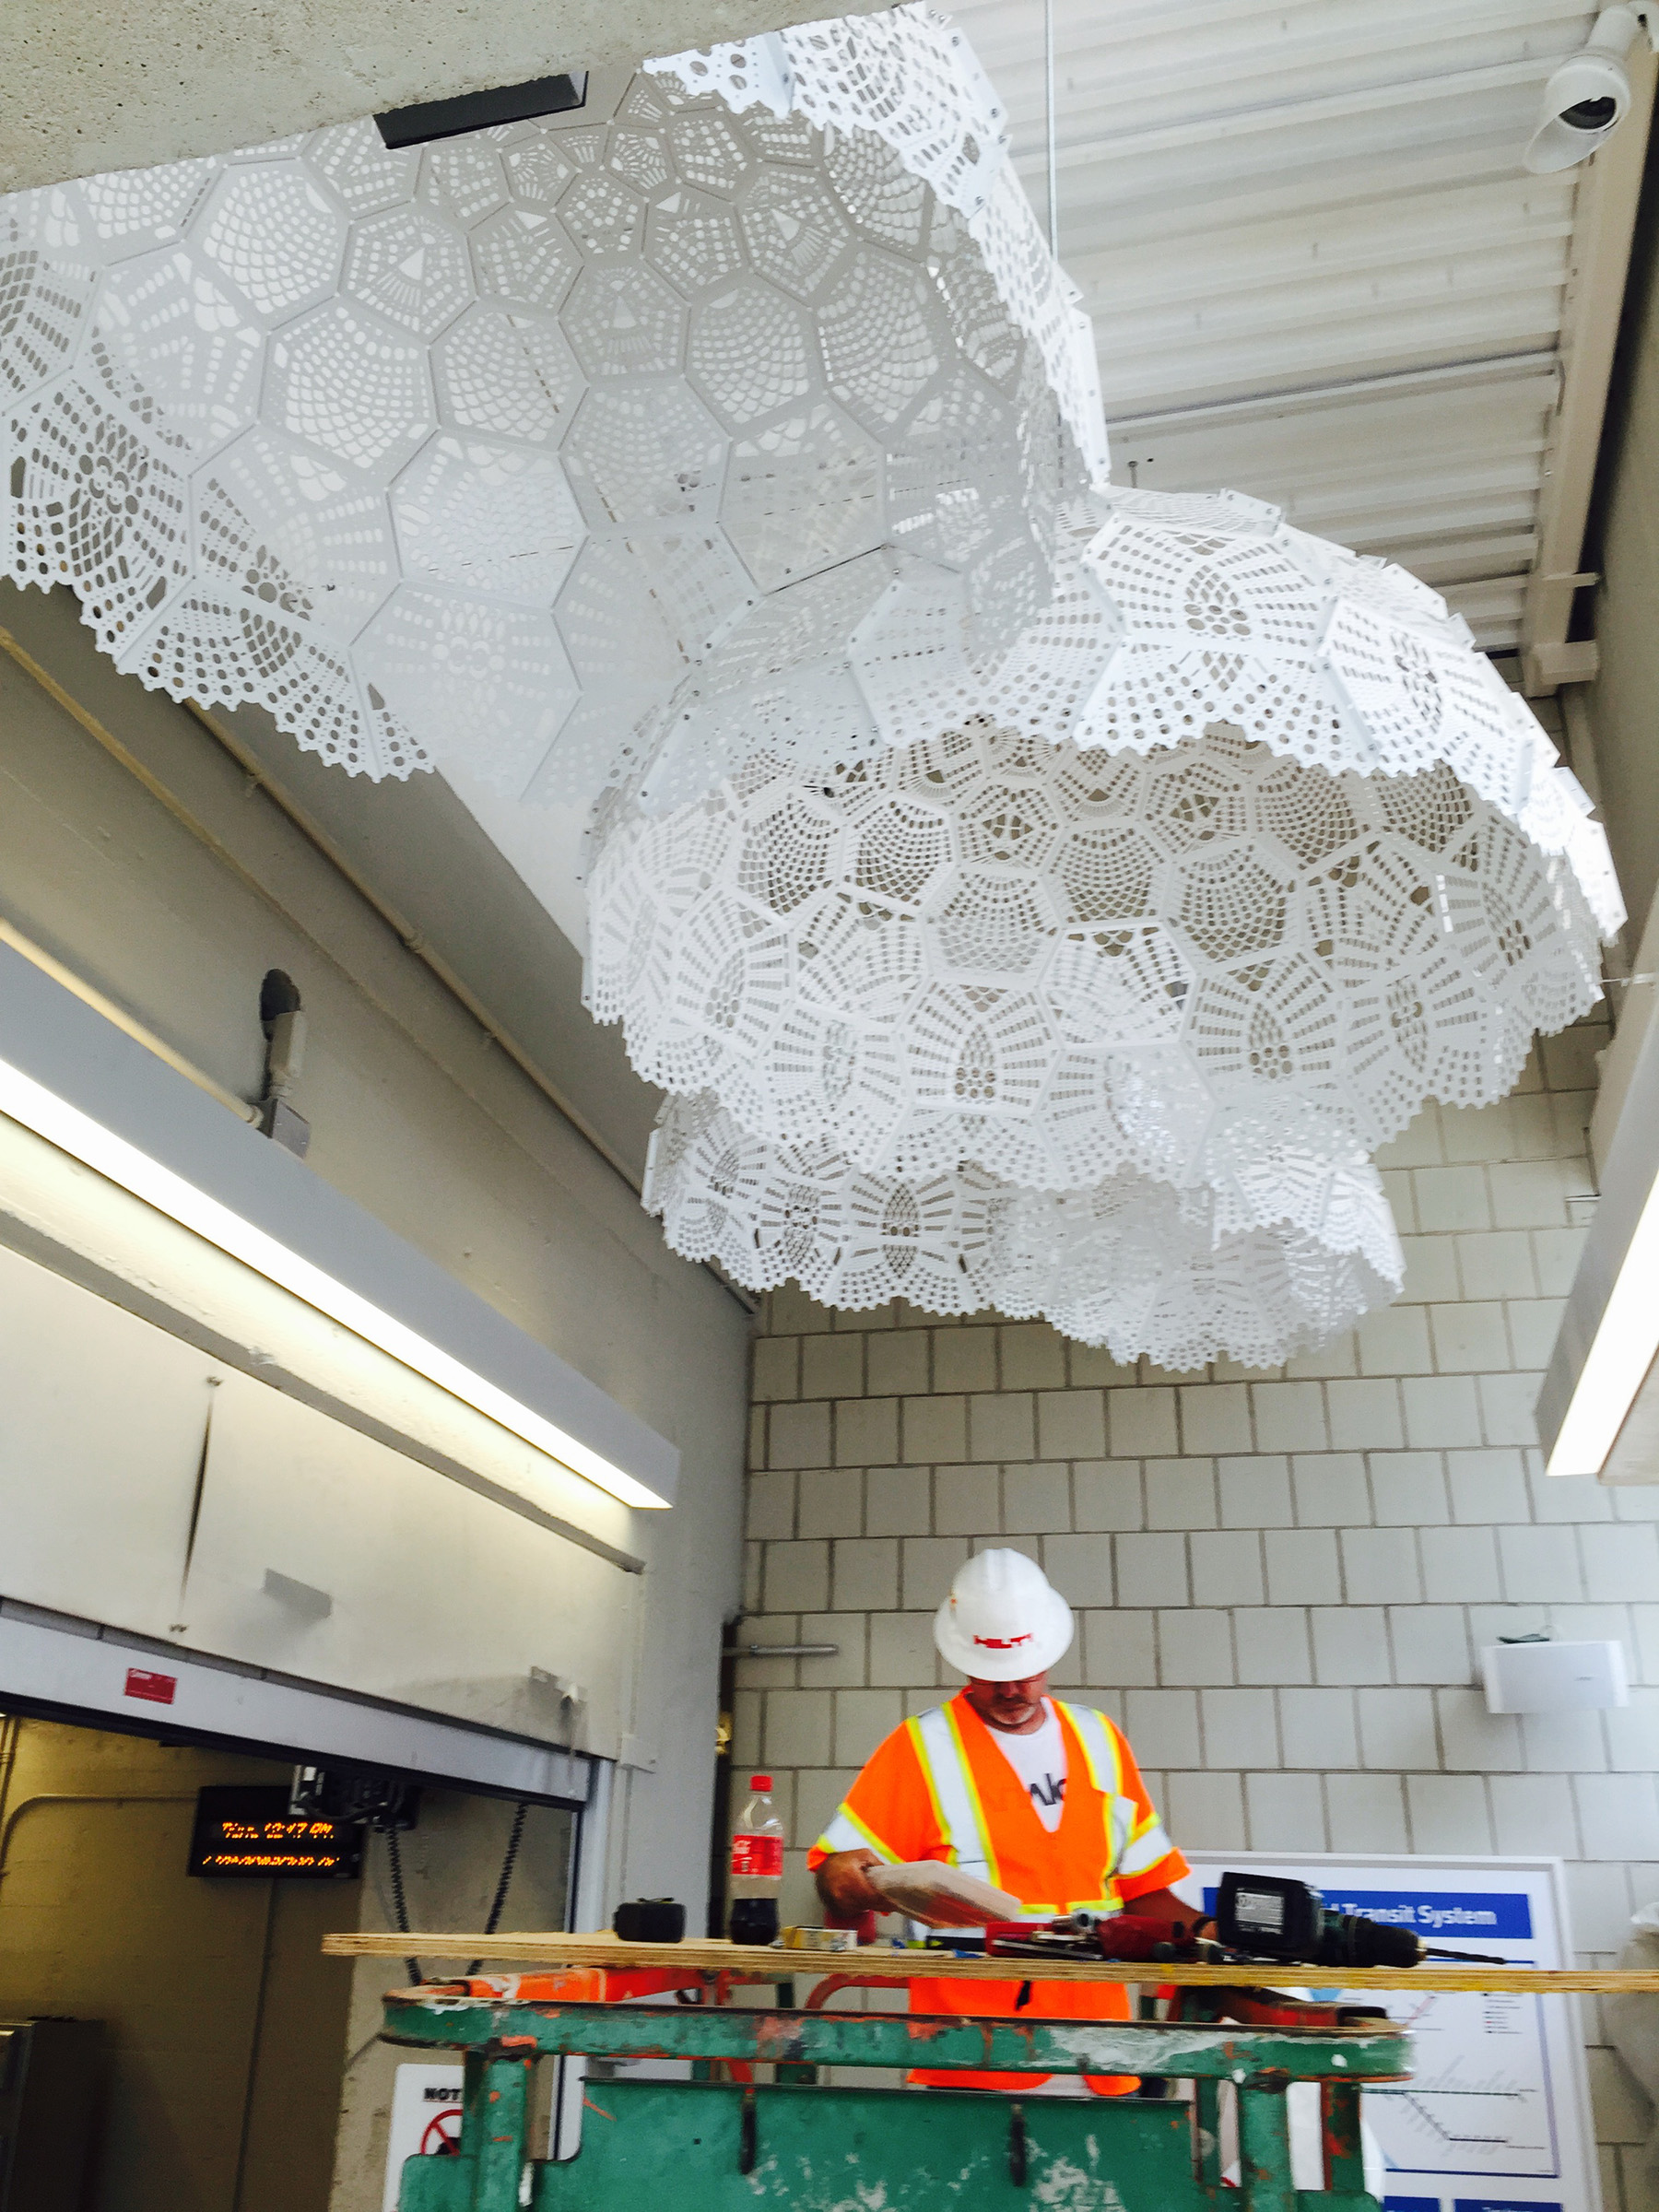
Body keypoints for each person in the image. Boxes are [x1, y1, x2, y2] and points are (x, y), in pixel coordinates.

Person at [810, 1547, 1194, 2092]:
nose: (1011, 1690)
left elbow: (1146, 1889)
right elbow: (835, 1879)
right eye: (993, 1675)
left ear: (1049, 1650)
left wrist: (1210, 1932)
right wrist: (844, 1882)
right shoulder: (921, 1747)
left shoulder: (1099, 1739)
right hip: (973, 2054)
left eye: (1023, 1672)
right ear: (962, 1658)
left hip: (1099, 2051)